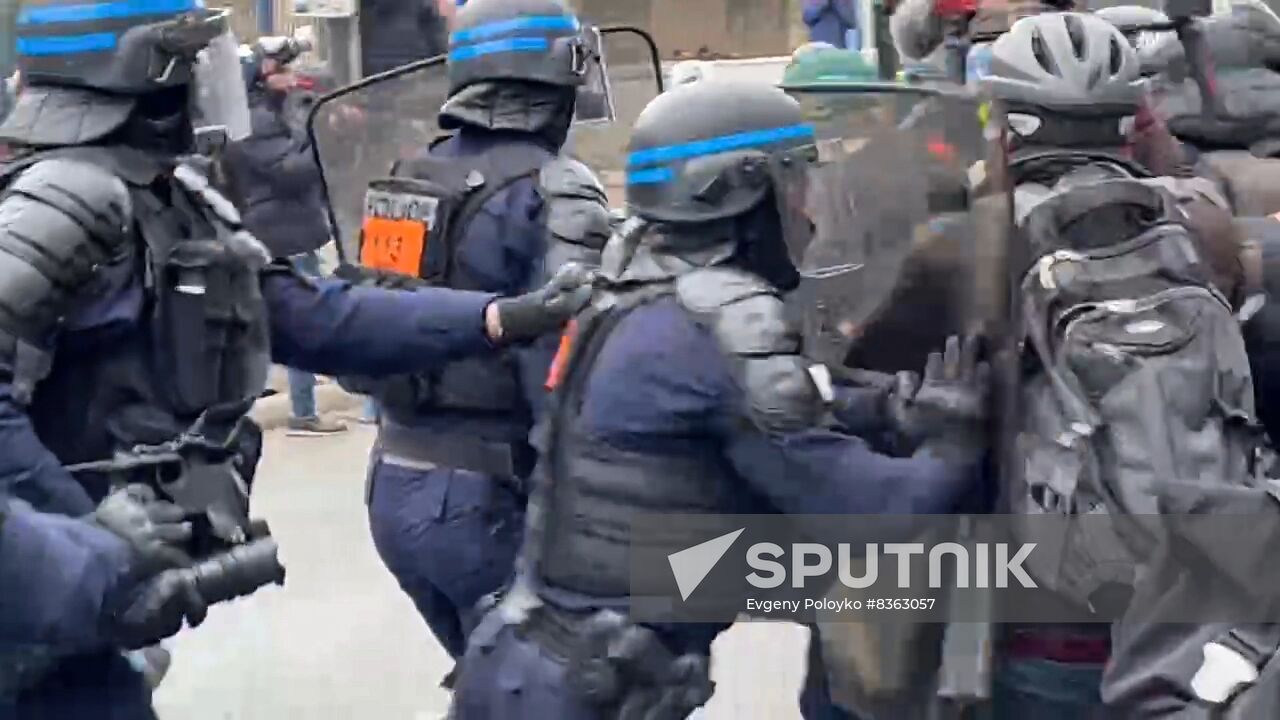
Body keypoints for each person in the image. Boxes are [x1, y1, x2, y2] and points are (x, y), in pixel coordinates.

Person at [0, 0, 592, 716]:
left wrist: (498, 317)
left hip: (89, 601)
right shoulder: (63, 198)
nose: (202, 81)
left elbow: (314, 314)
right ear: (139, 72)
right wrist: (90, 551)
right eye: (187, 63)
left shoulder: (168, 194)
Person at [449, 78, 992, 720]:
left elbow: (749, 406)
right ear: (743, 191)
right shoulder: (723, 323)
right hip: (585, 692)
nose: (811, 212)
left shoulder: (628, 291)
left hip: (520, 663)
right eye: (796, 188)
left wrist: (882, 408)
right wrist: (956, 440)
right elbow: (878, 514)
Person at [979, 13, 1265, 719]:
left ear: (1004, 124)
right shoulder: (1203, 224)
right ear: (1135, 116)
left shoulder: (972, 238)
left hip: (1053, 620)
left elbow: (868, 362)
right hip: (1204, 604)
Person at [351, 0, 612, 675]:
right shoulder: (559, 187)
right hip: (490, 498)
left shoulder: (407, 176)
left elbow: (363, 345)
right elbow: (568, 373)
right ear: (560, 77)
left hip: (394, 484)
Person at [224, 38, 347, 437]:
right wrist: (325, 137)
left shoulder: (270, 112)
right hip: (281, 233)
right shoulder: (256, 122)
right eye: (282, 71)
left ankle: (302, 407)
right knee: (302, 320)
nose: (293, 78)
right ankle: (304, 411)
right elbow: (292, 171)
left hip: (287, 228)